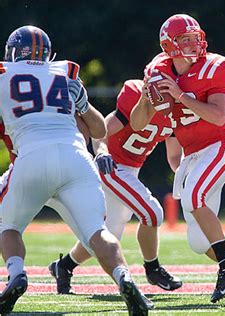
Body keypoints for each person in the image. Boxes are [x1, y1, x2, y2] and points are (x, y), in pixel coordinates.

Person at [0, 26, 150, 315]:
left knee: (8, 225)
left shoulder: (4, 74)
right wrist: (81, 102)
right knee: (97, 231)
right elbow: (99, 129)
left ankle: (17, 274)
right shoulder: (63, 74)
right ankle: (124, 278)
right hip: (77, 159)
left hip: (30, 159)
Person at [130, 14, 225, 303]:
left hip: (219, 147)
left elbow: (218, 116)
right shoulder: (157, 71)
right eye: (185, 39)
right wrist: (145, 98)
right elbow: (136, 124)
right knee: (198, 242)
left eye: (195, 38)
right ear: (169, 46)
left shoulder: (216, 66)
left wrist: (181, 95)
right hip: (193, 155)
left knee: (195, 197)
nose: (194, 44)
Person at [47, 79, 183, 295]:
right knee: (153, 212)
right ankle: (153, 267)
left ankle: (64, 267)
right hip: (112, 167)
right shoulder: (135, 96)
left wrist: (186, 173)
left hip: (131, 170)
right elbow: (102, 132)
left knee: (108, 235)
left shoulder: (178, 110)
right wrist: (101, 152)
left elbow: (174, 156)